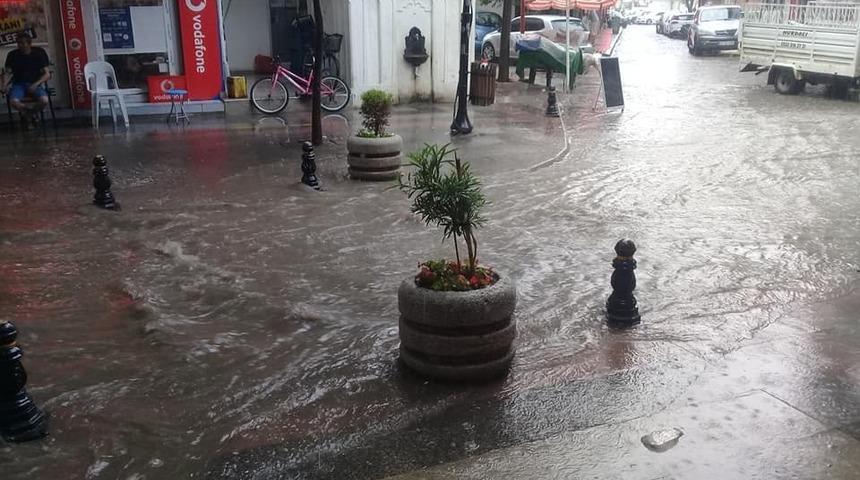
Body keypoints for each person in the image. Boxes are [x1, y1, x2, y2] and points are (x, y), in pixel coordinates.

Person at [1, 33, 50, 127]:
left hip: (35, 83)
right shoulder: (12, 55)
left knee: (44, 100)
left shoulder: (38, 54)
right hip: (18, 84)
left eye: (22, 43)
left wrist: (36, 84)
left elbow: (47, 74)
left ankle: (27, 115)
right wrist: (4, 85)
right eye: (18, 43)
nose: (20, 45)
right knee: (13, 101)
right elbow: (7, 73)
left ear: (29, 43)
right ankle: (31, 114)